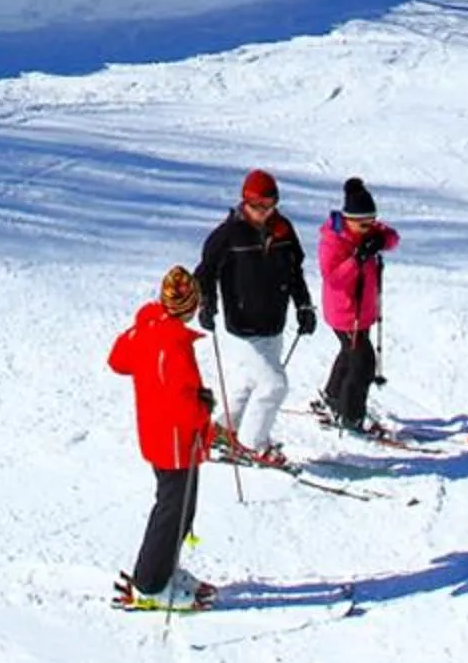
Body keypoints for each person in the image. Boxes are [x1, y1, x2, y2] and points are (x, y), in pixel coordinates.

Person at [107, 265, 220, 613]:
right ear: (190, 306)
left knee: (176, 507)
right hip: (176, 441)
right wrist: (204, 408)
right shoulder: (175, 345)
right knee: (174, 512)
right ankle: (150, 583)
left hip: (157, 435)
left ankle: (161, 569)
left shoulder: (148, 328)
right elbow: (183, 405)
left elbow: (118, 360)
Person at [194, 168, 313, 466]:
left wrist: (304, 306)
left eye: (269, 205)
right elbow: (205, 272)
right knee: (274, 385)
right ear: (244, 202)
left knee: (249, 381)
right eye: (257, 206)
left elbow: (295, 272)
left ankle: (224, 430)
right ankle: (252, 444)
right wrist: (206, 303)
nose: (264, 212)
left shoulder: (283, 230)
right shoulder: (228, 234)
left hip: (273, 322)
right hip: (242, 325)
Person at [314, 177, 402, 434]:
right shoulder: (333, 240)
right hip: (345, 313)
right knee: (363, 364)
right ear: (349, 219)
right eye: (364, 224)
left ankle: (332, 397)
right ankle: (351, 416)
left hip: (362, 310)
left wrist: (380, 241)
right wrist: (357, 260)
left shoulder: (367, 230)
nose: (369, 227)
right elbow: (333, 278)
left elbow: (392, 237)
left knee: (349, 353)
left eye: (372, 222)